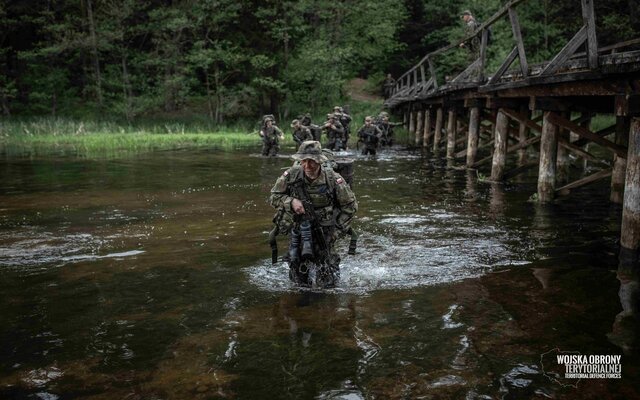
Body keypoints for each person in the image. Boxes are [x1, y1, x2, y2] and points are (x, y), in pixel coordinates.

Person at [269, 141, 358, 287]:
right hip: (298, 229)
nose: (307, 166)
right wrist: (291, 201)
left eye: (312, 162)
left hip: (325, 232)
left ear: (320, 161)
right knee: (297, 274)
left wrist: (336, 232)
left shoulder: (333, 179)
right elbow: (273, 197)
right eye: (304, 161)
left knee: (328, 277)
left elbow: (350, 206)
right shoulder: (291, 175)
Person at [459, 10, 481, 79]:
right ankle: (476, 76)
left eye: (463, 17)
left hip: (472, 46)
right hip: (475, 45)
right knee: (475, 61)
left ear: (467, 16)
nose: (463, 19)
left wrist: (463, 43)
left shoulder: (470, 24)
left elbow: (470, 36)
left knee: (472, 61)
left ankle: (474, 77)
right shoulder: (473, 22)